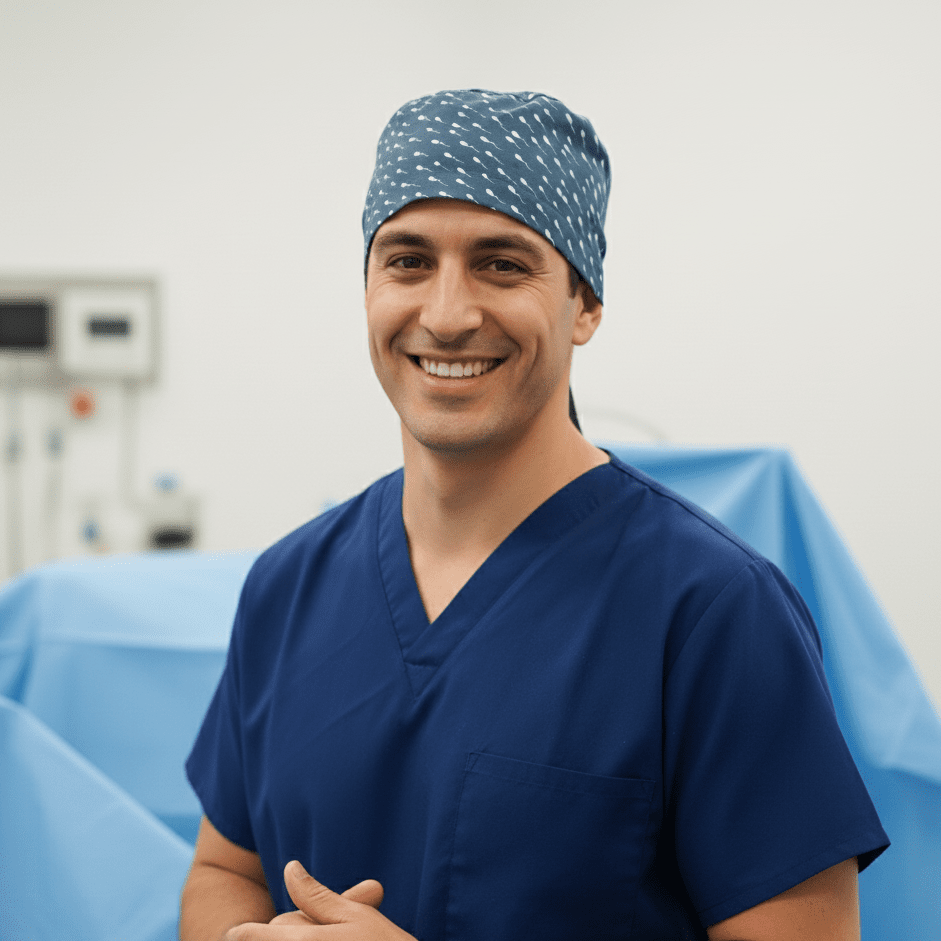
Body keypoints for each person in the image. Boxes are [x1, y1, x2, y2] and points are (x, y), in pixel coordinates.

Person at [180, 89, 888, 941]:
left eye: (502, 264)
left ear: (583, 304)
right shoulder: (286, 587)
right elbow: (226, 869)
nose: (446, 314)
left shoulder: (712, 611)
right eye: (407, 260)